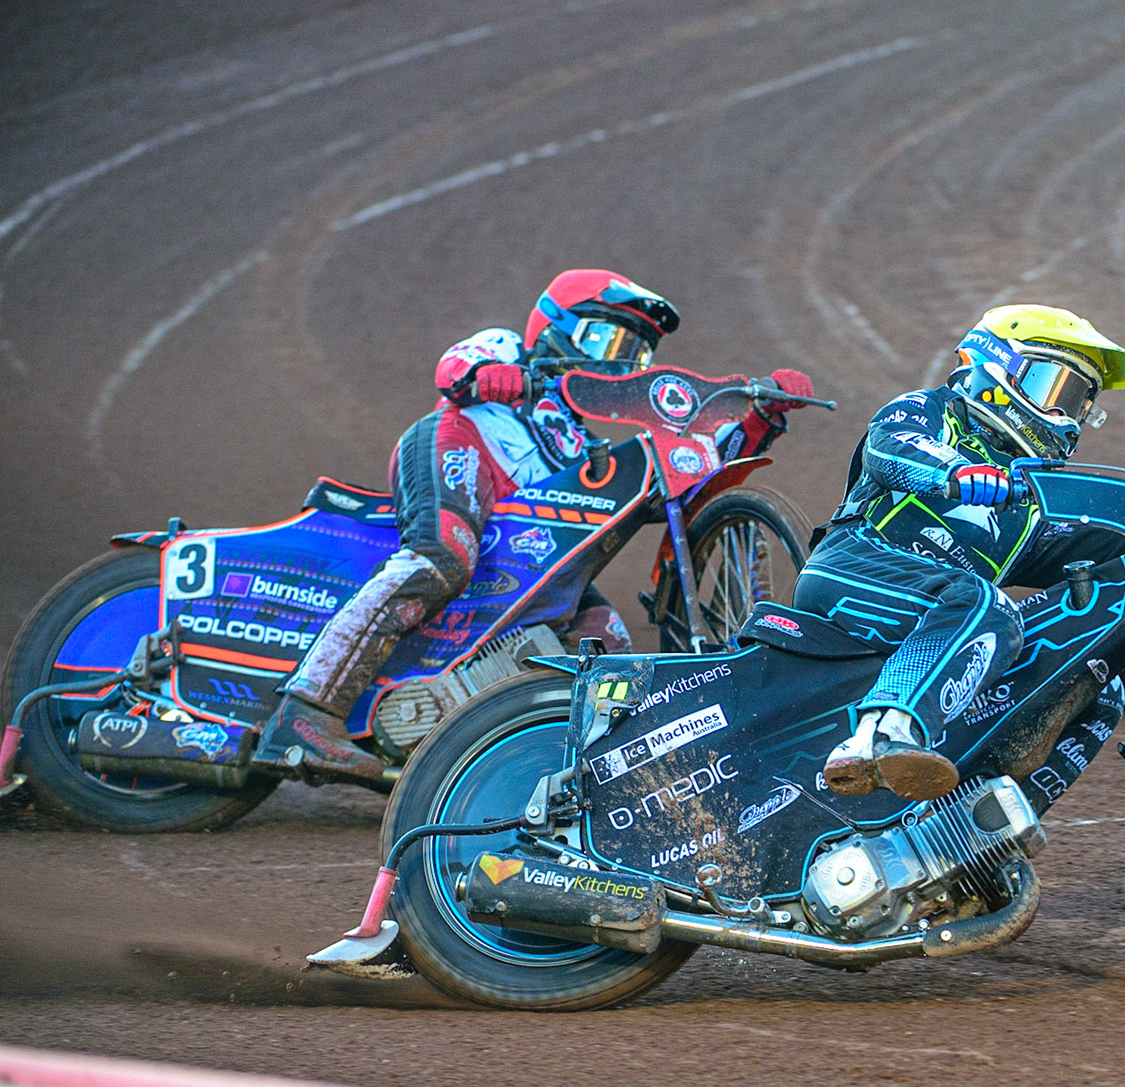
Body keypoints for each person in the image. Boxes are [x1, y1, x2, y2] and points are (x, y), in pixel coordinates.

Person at [257, 269, 805, 781]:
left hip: (518, 525)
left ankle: (524, 761)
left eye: (635, 352)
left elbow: (686, 487)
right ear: (557, 327)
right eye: (607, 340)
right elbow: (453, 371)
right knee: (443, 556)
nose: (620, 362)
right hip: (460, 444)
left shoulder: (577, 438)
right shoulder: (506, 347)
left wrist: (758, 420)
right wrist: (499, 377)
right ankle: (306, 712)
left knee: (601, 633)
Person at [795, 305, 1125, 805]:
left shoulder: (1030, 504)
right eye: (1054, 388)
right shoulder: (930, 410)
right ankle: (877, 737)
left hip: (949, 616)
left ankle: (985, 826)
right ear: (996, 367)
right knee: (987, 604)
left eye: (1079, 402)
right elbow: (891, 448)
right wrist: (955, 473)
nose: (1066, 417)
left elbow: (1107, 539)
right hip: (852, 567)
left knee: (1095, 676)